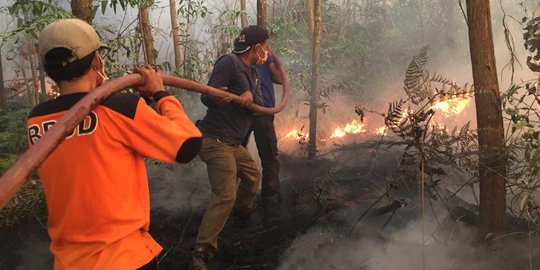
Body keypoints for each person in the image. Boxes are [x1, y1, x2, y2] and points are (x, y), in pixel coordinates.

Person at [27, 18, 202, 270]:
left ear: (49, 69)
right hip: (124, 259)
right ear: (97, 60)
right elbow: (188, 145)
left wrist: (142, 106)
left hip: (69, 263)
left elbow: (92, 151)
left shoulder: (36, 119)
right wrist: (160, 94)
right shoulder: (119, 108)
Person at [189, 25, 270, 270]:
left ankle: (240, 216)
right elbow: (207, 95)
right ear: (256, 47)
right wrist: (217, 97)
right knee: (225, 194)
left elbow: (260, 101)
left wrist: (248, 96)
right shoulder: (229, 62)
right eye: (265, 47)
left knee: (252, 176)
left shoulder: (253, 72)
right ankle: (201, 251)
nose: (267, 51)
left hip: (233, 143)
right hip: (215, 140)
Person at [242, 47, 284, 222]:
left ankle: (243, 207)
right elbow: (279, 78)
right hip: (257, 114)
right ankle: (270, 209)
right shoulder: (261, 57)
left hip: (246, 114)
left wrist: (272, 60)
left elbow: (279, 79)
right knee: (269, 160)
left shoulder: (240, 59)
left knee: (236, 157)